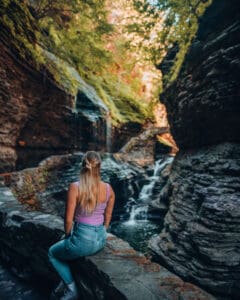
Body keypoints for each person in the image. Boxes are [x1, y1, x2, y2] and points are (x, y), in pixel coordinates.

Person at [48, 151, 115, 300]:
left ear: (82, 166)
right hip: (101, 240)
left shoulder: (75, 187)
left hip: (83, 241)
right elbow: (108, 215)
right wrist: (103, 229)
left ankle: (71, 289)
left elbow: (68, 220)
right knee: (68, 248)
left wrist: (68, 235)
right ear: (99, 168)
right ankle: (64, 281)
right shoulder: (109, 189)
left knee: (53, 253)